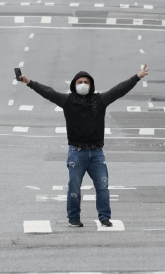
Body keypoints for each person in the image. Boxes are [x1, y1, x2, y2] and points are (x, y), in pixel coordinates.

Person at [19, 64, 150, 228]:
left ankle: (104, 217)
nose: (83, 84)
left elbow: (118, 90)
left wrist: (137, 77)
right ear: (74, 85)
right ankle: (73, 218)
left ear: (91, 85)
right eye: (80, 81)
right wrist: (28, 82)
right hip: (76, 152)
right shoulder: (67, 101)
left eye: (86, 82)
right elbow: (48, 92)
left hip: (96, 152)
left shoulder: (99, 101)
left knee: (102, 187)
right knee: (74, 187)